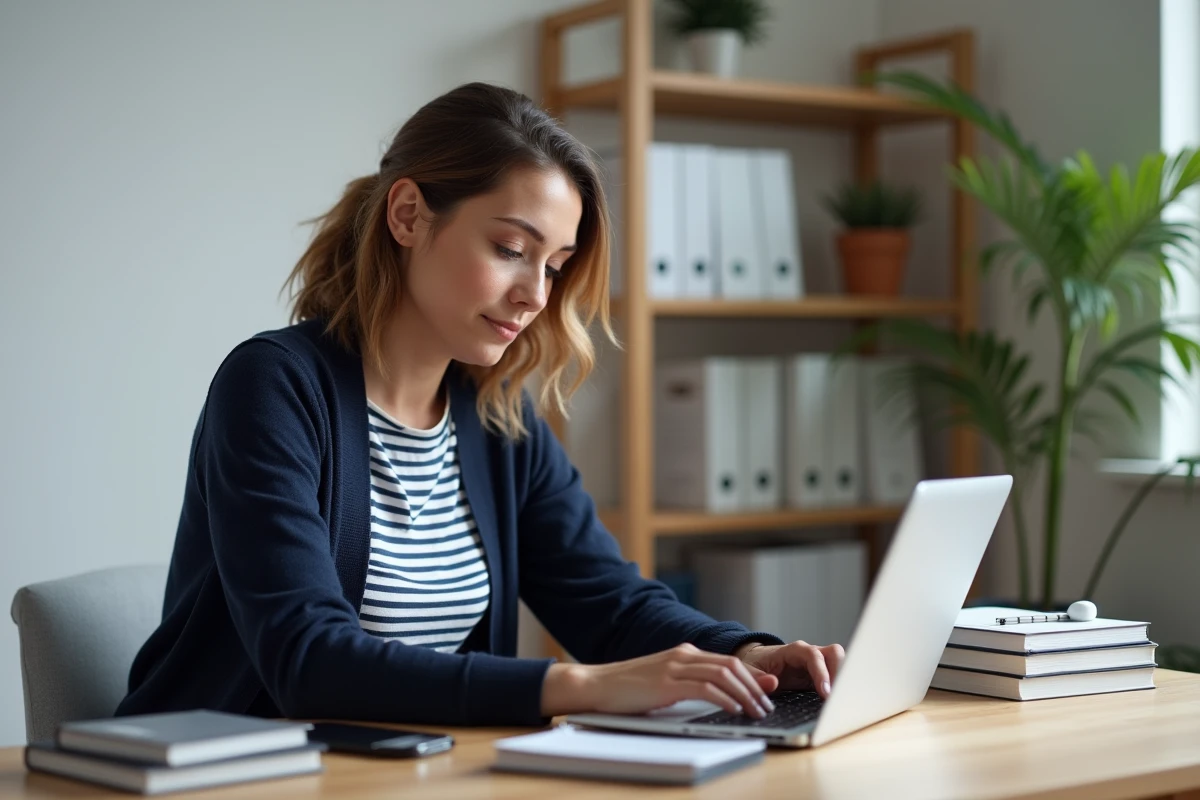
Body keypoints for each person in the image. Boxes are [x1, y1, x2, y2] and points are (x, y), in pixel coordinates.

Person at [116, 82, 845, 727]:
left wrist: (748, 652)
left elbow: (608, 603)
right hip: (224, 778)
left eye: (556, 266)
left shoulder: (498, 418)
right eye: (509, 247)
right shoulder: (274, 386)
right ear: (408, 215)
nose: (536, 295)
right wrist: (583, 687)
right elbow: (309, 660)